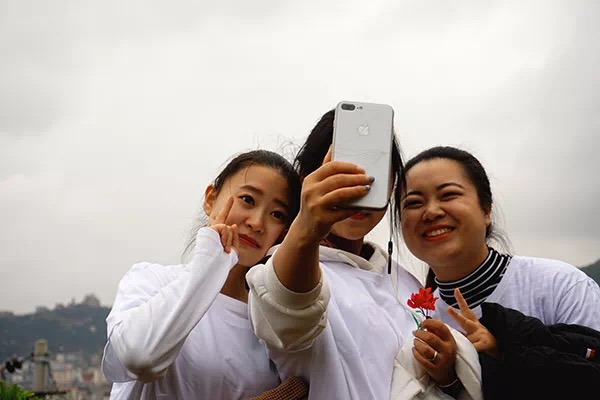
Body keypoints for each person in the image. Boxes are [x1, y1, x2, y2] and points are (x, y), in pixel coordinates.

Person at [247, 110, 483, 400]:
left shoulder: (404, 280)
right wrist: (308, 224)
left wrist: (447, 374)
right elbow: (288, 311)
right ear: (307, 181)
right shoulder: (289, 269)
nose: (358, 185)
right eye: (339, 172)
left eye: (375, 171)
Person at [101, 150, 303, 399]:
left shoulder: (272, 321)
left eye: (277, 214)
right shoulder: (151, 280)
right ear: (210, 199)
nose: (257, 222)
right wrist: (210, 262)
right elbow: (138, 357)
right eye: (248, 200)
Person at [398, 145, 600, 332]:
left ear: (486, 210)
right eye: (414, 203)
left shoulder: (560, 287)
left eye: (448, 195)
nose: (431, 212)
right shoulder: (409, 320)